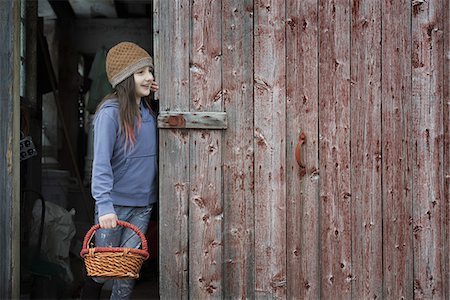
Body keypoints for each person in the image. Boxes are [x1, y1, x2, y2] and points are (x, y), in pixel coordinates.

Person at [81, 41, 159, 300]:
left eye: (150, 71)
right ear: (126, 78)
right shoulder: (109, 113)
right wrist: (104, 206)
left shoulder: (148, 110)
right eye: (141, 72)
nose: (149, 77)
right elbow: (100, 163)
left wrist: (161, 95)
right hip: (114, 206)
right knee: (102, 271)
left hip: (143, 205)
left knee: (127, 276)